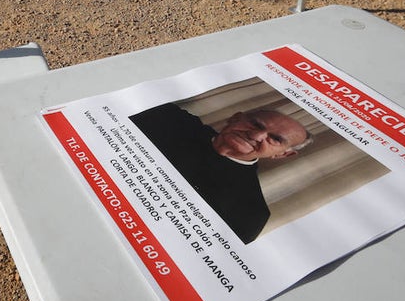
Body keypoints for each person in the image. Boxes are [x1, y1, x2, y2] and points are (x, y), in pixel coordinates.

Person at [130, 102, 311, 244]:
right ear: (235, 118)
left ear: (282, 154)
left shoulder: (251, 213)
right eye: (255, 124)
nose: (255, 136)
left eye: (276, 139)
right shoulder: (167, 116)